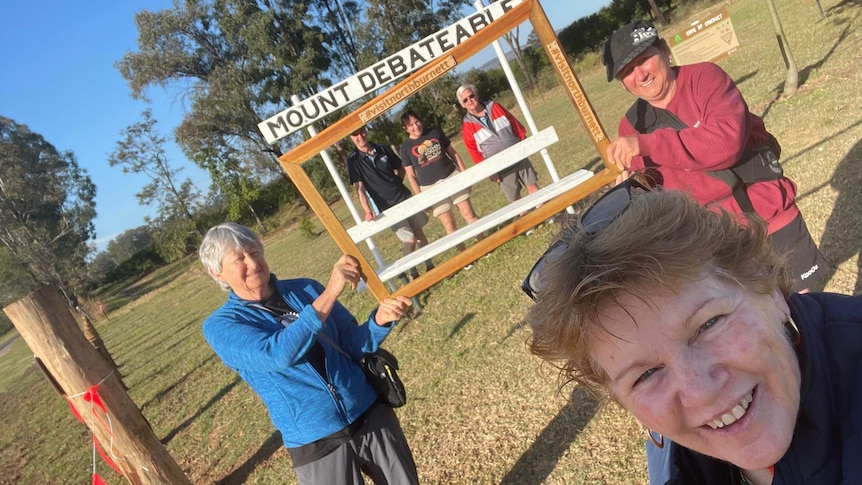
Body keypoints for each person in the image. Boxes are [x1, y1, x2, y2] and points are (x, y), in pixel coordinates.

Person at [522, 181, 862, 484]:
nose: (700, 392)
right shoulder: (673, 459)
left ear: (769, 289)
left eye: (708, 324)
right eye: (647, 375)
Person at [602, 20, 829, 292]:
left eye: (644, 60)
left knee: (807, 314)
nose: (640, 74)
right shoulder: (631, 126)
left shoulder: (705, 78)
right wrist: (629, 194)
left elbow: (726, 142)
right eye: (627, 71)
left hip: (768, 217)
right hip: (717, 246)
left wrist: (649, 144)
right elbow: (655, 198)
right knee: (755, 329)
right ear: (622, 84)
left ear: (665, 51)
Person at [199, 222, 420, 485]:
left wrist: (379, 321)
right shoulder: (222, 325)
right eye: (239, 258)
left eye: (254, 251)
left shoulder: (305, 289)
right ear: (217, 272)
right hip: (316, 443)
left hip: (370, 414)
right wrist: (330, 292)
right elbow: (277, 354)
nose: (253, 262)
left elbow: (350, 343)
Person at [347, 125, 433, 280]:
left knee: (419, 232)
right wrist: (367, 211)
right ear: (351, 138)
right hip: (387, 208)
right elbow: (360, 189)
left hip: (404, 197)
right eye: (355, 135)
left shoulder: (382, 149)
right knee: (410, 239)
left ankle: (429, 265)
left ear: (365, 131)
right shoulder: (353, 161)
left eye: (361, 132)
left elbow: (400, 167)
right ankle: (404, 271)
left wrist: (396, 183)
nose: (360, 137)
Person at [399, 109, 482, 253]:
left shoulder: (434, 132)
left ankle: (483, 244)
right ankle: (465, 255)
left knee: (469, 214)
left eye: (417, 121)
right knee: (450, 225)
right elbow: (411, 175)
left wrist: (464, 174)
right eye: (411, 125)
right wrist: (421, 198)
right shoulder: (405, 147)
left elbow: (453, 152)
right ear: (405, 128)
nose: (416, 126)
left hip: (451, 177)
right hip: (430, 188)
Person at [457, 84, 541, 209]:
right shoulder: (467, 127)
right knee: (515, 198)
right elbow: (475, 153)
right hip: (499, 166)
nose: (470, 101)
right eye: (465, 100)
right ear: (462, 104)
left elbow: (514, 123)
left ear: (477, 95)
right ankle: (530, 224)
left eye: (471, 96)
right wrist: (490, 172)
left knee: (532, 186)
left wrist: (525, 143)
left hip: (518, 154)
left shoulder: (495, 107)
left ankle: (546, 214)